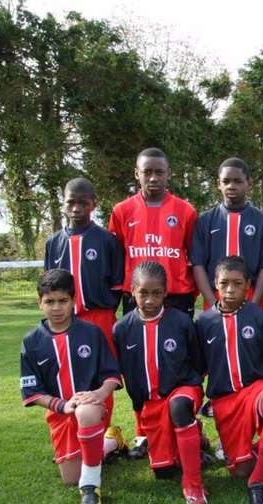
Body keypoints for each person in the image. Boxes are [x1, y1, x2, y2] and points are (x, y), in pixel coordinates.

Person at [108, 147, 198, 459]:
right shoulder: (121, 211)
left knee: (178, 364)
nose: (153, 177)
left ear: (168, 174)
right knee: (138, 368)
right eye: (147, 171)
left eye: (159, 171)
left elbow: (192, 256)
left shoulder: (185, 210)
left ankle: (186, 425)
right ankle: (142, 433)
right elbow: (116, 254)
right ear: (137, 173)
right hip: (137, 299)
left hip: (176, 298)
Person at [19, 269, 122, 503]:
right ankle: (112, 441)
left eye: (63, 301)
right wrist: (63, 405)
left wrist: (99, 393)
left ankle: (90, 487)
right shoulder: (32, 342)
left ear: (74, 301)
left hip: (92, 406)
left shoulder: (91, 333)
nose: (56, 307)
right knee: (69, 478)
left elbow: (111, 375)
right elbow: (32, 392)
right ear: (40, 303)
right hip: (60, 413)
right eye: (50, 301)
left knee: (85, 411)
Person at [44, 178, 128, 459]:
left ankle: (102, 438)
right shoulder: (53, 242)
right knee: (66, 376)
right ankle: (73, 438)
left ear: (94, 203)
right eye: (71, 202)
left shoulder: (107, 240)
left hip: (99, 317)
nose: (77, 208)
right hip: (63, 322)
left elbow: (117, 285)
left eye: (83, 202)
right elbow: (48, 286)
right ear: (64, 203)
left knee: (102, 377)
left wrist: (103, 314)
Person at [112, 261, 207, 503]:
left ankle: (193, 485)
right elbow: (126, 373)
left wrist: (191, 386)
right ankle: (195, 437)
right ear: (132, 291)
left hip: (182, 391)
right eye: (143, 292)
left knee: (178, 406)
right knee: (164, 471)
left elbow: (198, 362)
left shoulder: (182, 322)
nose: (150, 300)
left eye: (156, 293)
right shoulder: (121, 329)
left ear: (165, 292)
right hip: (151, 406)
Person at [195, 256, 263, 504]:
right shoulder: (203, 322)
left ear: (248, 284)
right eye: (224, 283)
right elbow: (198, 369)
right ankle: (255, 451)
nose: (230, 290)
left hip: (255, 389)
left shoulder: (260, 317)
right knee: (238, 471)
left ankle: (258, 483)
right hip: (225, 399)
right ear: (215, 283)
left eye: (237, 284)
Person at [192, 158, 263, 310]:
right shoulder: (205, 221)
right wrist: (211, 303)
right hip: (215, 296)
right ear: (218, 184)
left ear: (249, 183)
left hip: (250, 297)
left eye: (238, 181)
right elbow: (198, 264)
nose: (231, 186)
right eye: (226, 181)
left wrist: (254, 305)